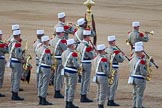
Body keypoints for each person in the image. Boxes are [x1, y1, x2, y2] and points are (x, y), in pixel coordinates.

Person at [77, 29, 95, 103]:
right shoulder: (86, 46)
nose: (89, 38)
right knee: (86, 80)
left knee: (83, 80)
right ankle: (83, 95)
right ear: (87, 37)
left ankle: (82, 94)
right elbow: (91, 56)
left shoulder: (80, 44)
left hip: (81, 62)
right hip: (86, 63)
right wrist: (94, 52)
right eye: (89, 36)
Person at [105, 35, 125, 106]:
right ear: (113, 42)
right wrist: (122, 55)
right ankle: (111, 100)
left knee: (109, 84)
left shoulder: (106, 49)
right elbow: (121, 60)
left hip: (108, 68)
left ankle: (108, 98)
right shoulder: (114, 50)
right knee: (114, 84)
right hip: (114, 68)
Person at [62, 39, 80, 108]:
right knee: (72, 87)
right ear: (72, 45)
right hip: (72, 71)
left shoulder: (64, 52)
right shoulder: (73, 54)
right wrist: (79, 67)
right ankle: (70, 102)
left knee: (67, 87)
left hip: (65, 70)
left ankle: (67, 101)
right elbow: (75, 64)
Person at [50, 26, 67, 98]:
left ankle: (56, 90)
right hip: (59, 59)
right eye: (63, 32)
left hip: (53, 59)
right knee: (59, 75)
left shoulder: (52, 40)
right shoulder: (60, 41)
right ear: (60, 33)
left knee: (56, 75)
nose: (64, 34)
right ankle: (57, 91)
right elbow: (65, 49)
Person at [8, 30, 25, 101]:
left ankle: (13, 90)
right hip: (16, 62)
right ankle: (15, 93)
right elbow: (18, 56)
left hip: (12, 61)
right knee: (17, 78)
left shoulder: (11, 42)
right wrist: (23, 61)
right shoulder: (17, 44)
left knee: (14, 77)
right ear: (17, 36)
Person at [36, 35, 52, 105]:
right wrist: (53, 63)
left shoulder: (39, 48)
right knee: (45, 83)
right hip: (46, 67)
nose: (49, 42)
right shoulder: (46, 50)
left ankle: (40, 97)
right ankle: (43, 98)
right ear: (45, 42)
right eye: (48, 41)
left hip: (40, 66)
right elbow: (47, 61)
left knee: (40, 82)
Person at [94, 44, 110, 108]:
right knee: (103, 91)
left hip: (97, 75)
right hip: (102, 76)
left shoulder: (96, 58)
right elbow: (105, 69)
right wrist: (109, 75)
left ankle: (99, 101)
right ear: (102, 50)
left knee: (99, 90)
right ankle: (101, 104)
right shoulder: (103, 59)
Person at [0, 30, 8, 97]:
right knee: (0, 75)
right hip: (0, 60)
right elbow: (6, 50)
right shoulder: (1, 44)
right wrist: (7, 46)